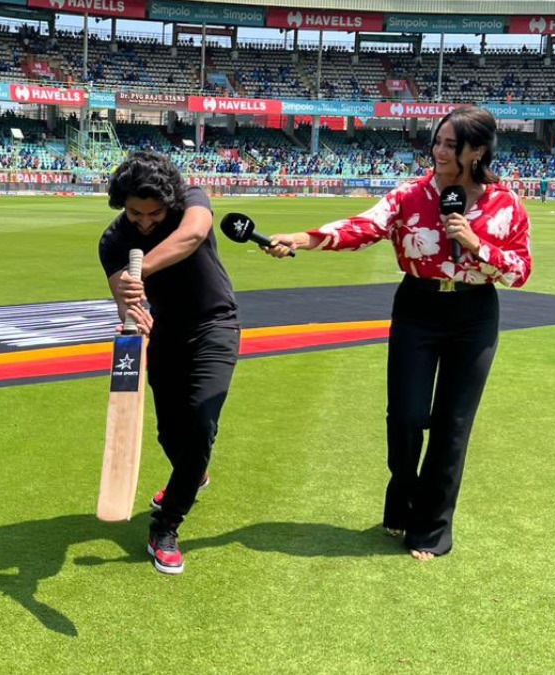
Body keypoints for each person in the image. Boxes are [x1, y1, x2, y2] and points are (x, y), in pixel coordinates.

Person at [264, 107, 532, 561]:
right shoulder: (411, 195)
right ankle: (402, 497)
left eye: (452, 144)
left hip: (475, 315)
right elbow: (363, 226)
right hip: (418, 309)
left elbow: (520, 270)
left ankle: (431, 528)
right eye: (438, 141)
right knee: (406, 417)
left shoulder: (506, 205)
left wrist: (474, 243)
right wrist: (304, 238)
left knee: (453, 425)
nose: (440, 151)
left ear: (478, 151)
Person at [98, 150, 240, 575]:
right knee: (171, 435)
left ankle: (166, 525)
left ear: (169, 202)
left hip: (215, 324)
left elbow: (193, 235)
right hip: (164, 335)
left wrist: (138, 273)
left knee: (200, 423)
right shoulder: (113, 242)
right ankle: (191, 474)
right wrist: (132, 310)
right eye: (134, 213)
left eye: (153, 213)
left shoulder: (192, 199)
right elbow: (123, 296)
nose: (144, 222)